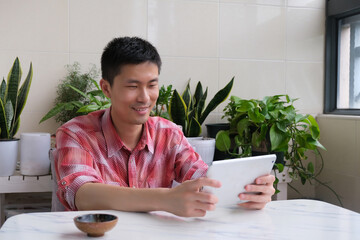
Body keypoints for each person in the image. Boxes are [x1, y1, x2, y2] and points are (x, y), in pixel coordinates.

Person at [54, 36, 275, 217]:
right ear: (106, 88)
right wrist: (164, 200)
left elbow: (203, 179)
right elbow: (82, 195)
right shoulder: (76, 134)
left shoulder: (169, 133)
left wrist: (249, 190)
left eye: (152, 85)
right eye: (132, 86)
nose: (144, 98)